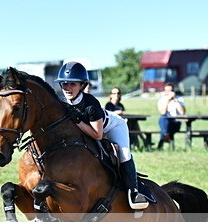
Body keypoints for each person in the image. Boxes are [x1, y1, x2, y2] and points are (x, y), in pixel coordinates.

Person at [57, 62, 148, 210]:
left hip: (112, 127)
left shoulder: (90, 103)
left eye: (72, 84)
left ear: (82, 85)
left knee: (124, 154)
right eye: (64, 84)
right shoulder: (62, 102)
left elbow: (98, 135)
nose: (67, 88)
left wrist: (78, 121)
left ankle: (134, 192)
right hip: (91, 129)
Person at [157, 83, 186, 149]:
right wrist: (168, 100)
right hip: (165, 121)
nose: (169, 92)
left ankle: (162, 140)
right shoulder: (162, 100)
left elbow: (182, 113)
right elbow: (163, 112)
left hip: (176, 121)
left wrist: (176, 101)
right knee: (163, 118)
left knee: (164, 128)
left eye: (171, 90)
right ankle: (166, 135)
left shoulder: (180, 99)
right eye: (167, 91)